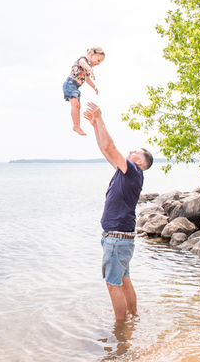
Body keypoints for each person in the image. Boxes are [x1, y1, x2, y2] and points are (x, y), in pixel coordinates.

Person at [83, 102, 153, 323]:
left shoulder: (132, 171)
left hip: (116, 238)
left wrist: (100, 118)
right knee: (124, 279)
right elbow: (106, 150)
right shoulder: (126, 172)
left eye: (135, 151)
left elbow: (111, 148)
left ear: (140, 161)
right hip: (122, 237)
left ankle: (121, 329)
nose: (130, 151)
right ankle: (134, 317)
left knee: (113, 284)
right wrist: (95, 125)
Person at [63, 47, 106, 136]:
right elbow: (82, 63)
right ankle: (76, 126)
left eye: (100, 62)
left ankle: (76, 125)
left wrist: (94, 86)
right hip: (70, 84)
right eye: (98, 60)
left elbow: (87, 79)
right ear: (91, 54)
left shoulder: (87, 68)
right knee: (75, 104)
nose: (98, 63)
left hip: (75, 87)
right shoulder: (83, 59)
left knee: (78, 106)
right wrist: (90, 69)